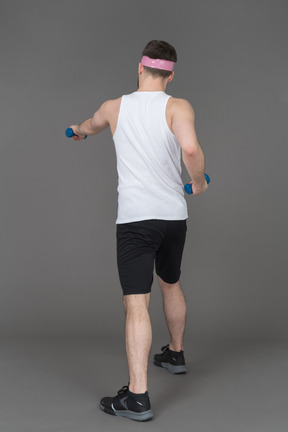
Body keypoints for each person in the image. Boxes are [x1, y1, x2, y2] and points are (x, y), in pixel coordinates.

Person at [68, 40, 208, 422]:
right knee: (171, 283)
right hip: (173, 218)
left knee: (136, 304)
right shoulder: (178, 106)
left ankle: (137, 397)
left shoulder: (114, 107)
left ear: (140, 68)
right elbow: (191, 151)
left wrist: (76, 130)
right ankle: (175, 354)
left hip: (135, 222)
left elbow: (88, 126)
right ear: (171, 74)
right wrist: (198, 184)